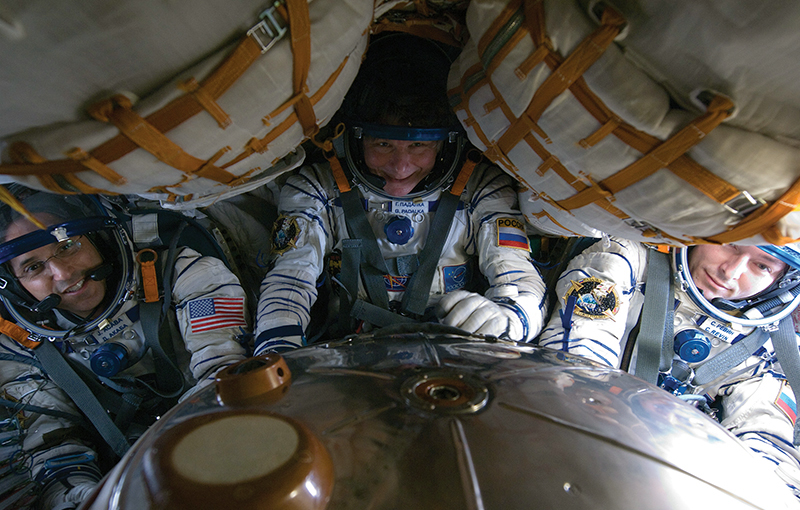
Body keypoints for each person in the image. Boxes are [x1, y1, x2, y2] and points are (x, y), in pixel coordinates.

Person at [253, 33, 548, 355]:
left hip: (452, 354)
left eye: (419, 145)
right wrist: (276, 353)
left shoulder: (481, 189)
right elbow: (289, 282)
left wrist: (507, 319)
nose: (401, 167)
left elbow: (519, 277)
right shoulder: (317, 188)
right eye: (383, 144)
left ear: (446, 144)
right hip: (347, 352)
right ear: (354, 140)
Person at [0, 187, 248, 509]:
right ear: (16, 287)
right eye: (33, 267)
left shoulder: (183, 273)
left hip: (222, 440)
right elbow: (54, 446)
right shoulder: (19, 348)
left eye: (67, 245)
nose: (62, 274)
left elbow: (225, 376)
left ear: (97, 238)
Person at [538, 236, 800, 499]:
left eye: (762, 266)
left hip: (662, 481)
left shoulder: (768, 343)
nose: (731, 272)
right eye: (731, 244)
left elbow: (769, 448)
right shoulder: (629, 259)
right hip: (571, 445)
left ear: (783, 280)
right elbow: (576, 365)